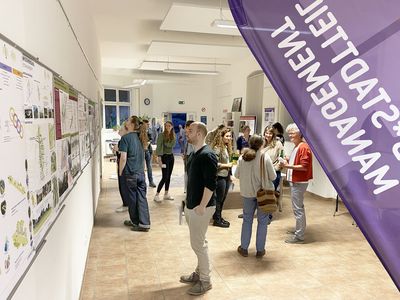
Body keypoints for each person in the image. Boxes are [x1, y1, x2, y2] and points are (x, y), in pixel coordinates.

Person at [179, 122, 217, 296]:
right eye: (187, 131)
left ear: (200, 134)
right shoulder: (194, 153)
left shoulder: (208, 155)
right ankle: (199, 272)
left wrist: (202, 206)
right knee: (199, 242)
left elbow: (210, 184)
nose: (187, 133)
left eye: (191, 131)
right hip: (192, 204)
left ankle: (205, 280)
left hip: (202, 207)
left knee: (198, 244)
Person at [235, 135, 276, 258]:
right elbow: (273, 177)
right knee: (263, 222)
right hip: (262, 195)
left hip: (247, 194)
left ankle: (244, 248)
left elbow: (237, 175)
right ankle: (260, 250)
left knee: (247, 220)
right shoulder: (265, 157)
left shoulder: (243, 158)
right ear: (261, 144)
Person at [280, 123, 313, 244]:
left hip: (299, 182)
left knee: (298, 209)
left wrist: (287, 165)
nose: (290, 135)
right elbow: (299, 163)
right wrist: (289, 160)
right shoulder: (298, 146)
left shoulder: (303, 147)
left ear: (299, 133)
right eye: (289, 133)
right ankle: (299, 231)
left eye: (292, 133)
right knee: (297, 208)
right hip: (296, 181)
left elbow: (304, 166)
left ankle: (299, 236)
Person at [119, 116, 151, 232]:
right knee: (142, 198)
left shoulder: (125, 138)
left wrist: (120, 172)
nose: (125, 122)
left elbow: (123, 158)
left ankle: (135, 221)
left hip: (131, 173)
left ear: (132, 124)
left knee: (132, 199)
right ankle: (145, 223)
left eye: (127, 120)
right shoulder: (141, 137)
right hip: (141, 173)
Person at [210, 128, 233, 228]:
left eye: (230, 136)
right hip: (219, 176)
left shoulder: (227, 147)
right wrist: (227, 166)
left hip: (226, 176)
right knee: (219, 199)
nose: (229, 138)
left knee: (223, 198)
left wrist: (230, 174)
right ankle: (217, 220)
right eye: (227, 136)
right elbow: (214, 163)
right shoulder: (217, 148)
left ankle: (218, 217)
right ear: (222, 137)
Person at [154, 121, 176, 202]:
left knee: (169, 176)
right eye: (166, 126)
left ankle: (166, 193)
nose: (168, 127)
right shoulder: (161, 135)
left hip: (171, 157)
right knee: (164, 177)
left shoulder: (173, 135)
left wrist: (165, 143)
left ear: (172, 126)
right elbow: (159, 147)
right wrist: (159, 159)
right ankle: (156, 195)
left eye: (169, 126)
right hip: (164, 157)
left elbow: (171, 145)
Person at [262, 125, 284, 196]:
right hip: (262, 172)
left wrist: (275, 168)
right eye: (266, 133)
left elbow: (281, 157)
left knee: (270, 194)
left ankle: (272, 207)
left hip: (273, 172)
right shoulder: (262, 143)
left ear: (273, 135)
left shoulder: (278, 144)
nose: (268, 135)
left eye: (270, 133)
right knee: (262, 194)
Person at [114, 122, 129, 213]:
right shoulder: (122, 140)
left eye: (121, 129)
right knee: (122, 186)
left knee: (123, 186)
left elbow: (124, 157)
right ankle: (125, 203)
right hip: (121, 165)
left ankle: (126, 204)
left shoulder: (124, 140)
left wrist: (120, 171)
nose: (119, 130)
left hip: (123, 167)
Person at [142, 119, 156, 187]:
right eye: (146, 124)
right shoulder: (139, 131)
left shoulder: (149, 130)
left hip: (148, 150)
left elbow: (151, 138)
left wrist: (148, 142)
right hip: (141, 150)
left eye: (148, 124)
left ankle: (151, 181)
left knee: (149, 166)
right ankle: (142, 182)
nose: (148, 125)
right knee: (141, 167)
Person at [183, 120, 195, 195]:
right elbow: (185, 145)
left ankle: (189, 188)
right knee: (186, 172)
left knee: (190, 172)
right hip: (187, 155)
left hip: (192, 155)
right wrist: (184, 154)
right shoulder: (186, 134)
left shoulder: (193, 134)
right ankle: (186, 188)